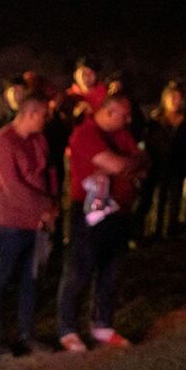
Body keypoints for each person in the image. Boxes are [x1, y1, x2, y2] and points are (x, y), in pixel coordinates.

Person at [55, 95, 145, 351]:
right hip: (89, 212)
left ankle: (102, 324)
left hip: (118, 212)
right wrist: (129, 164)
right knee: (79, 269)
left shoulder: (121, 135)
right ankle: (67, 328)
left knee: (111, 270)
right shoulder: (85, 133)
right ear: (108, 111)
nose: (128, 120)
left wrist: (130, 163)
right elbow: (118, 164)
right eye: (123, 115)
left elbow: (143, 161)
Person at [0, 93, 57, 358]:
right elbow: (13, 187)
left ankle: (27, 334)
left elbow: (49, 172)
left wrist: (52, 203)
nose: (45, 121)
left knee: (31, 280)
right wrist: (45, 207)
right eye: (43, 116)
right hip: (12, 224)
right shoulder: (4, 141)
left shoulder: (39, 140)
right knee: (2, 280)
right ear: (31, 114)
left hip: (37, 225)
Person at [142, 81, 186, 239]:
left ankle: (170, 228)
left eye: (178, 98)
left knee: (175, 197)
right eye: (172, 97)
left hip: (177, 165)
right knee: (159, 196)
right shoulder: (155, 120)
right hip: (158, 165)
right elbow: (148, 144)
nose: (175, 100)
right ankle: (155, 229)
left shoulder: (185, 122)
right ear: (165, 98)